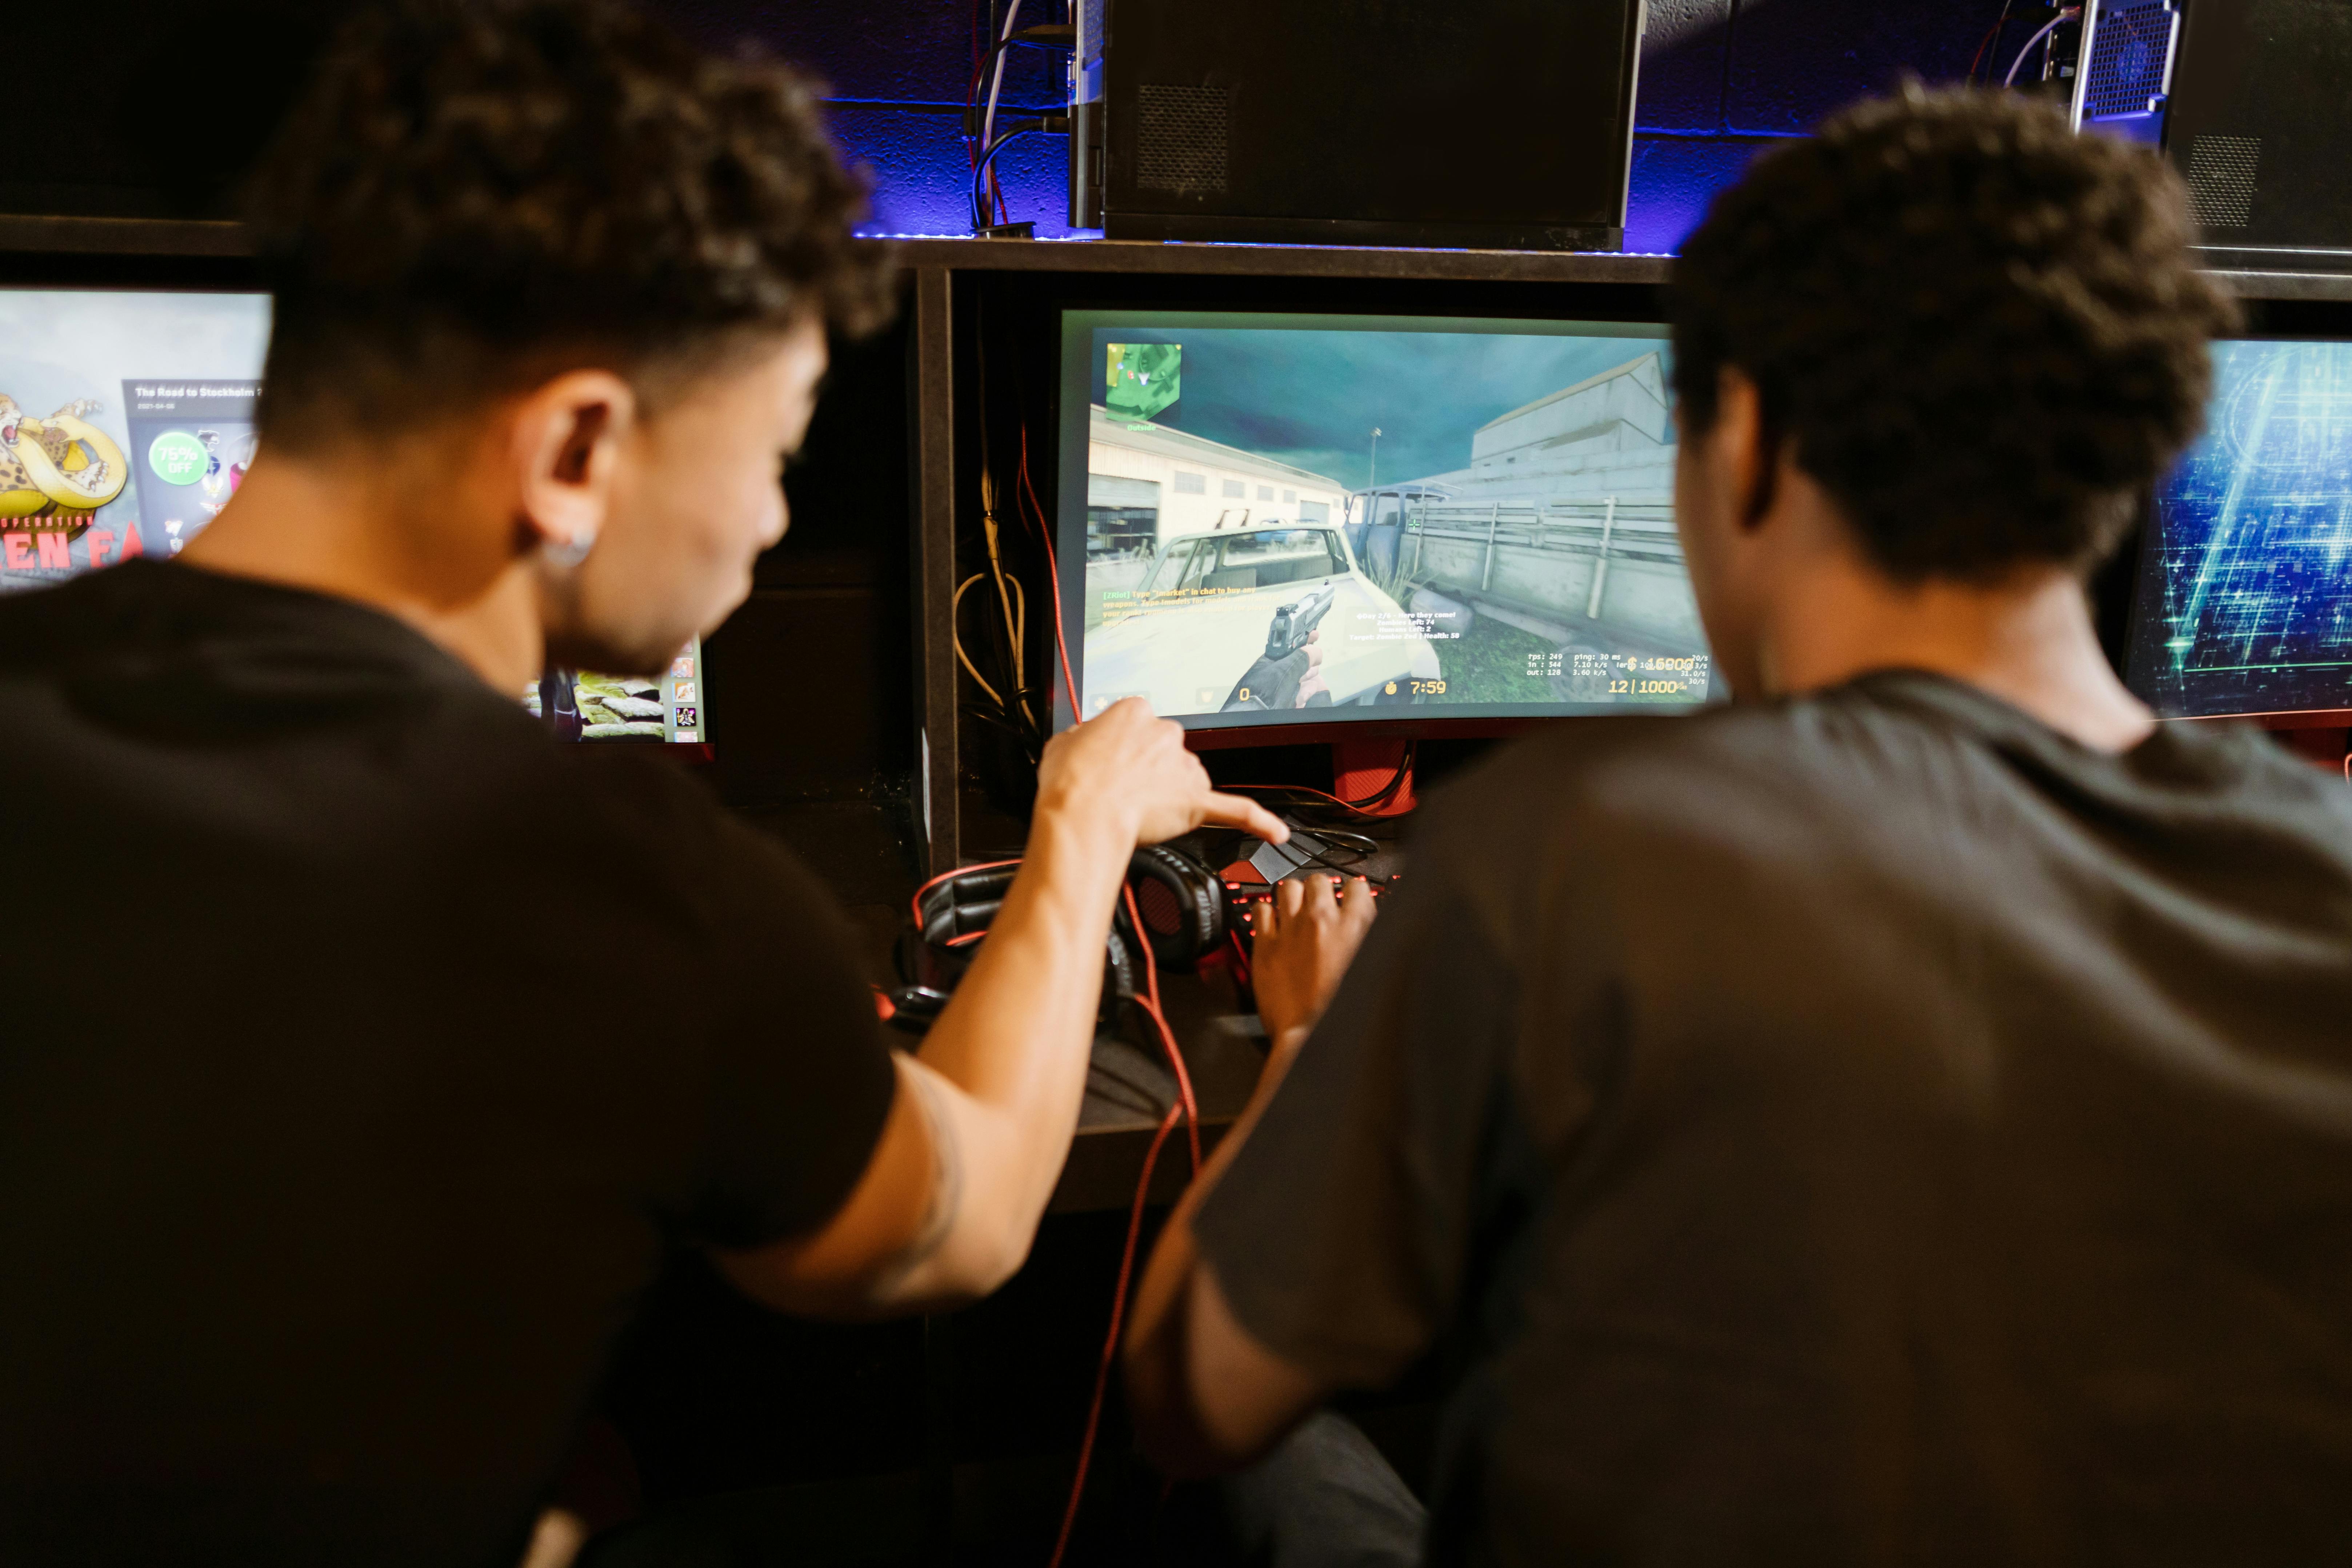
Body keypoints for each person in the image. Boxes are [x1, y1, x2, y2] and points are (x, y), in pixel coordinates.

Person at [0, 3, 1285, 1564]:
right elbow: (959, 1219)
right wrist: (1079, 826)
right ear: (576, 451)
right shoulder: (605, 879)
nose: (764, 526)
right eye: (776, 451)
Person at [1125, 86, 2352, 1565]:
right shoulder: (2325, 878)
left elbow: (1195, 1390)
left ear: (1752, 436)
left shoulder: (1566, 859)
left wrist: (1314, 1042)